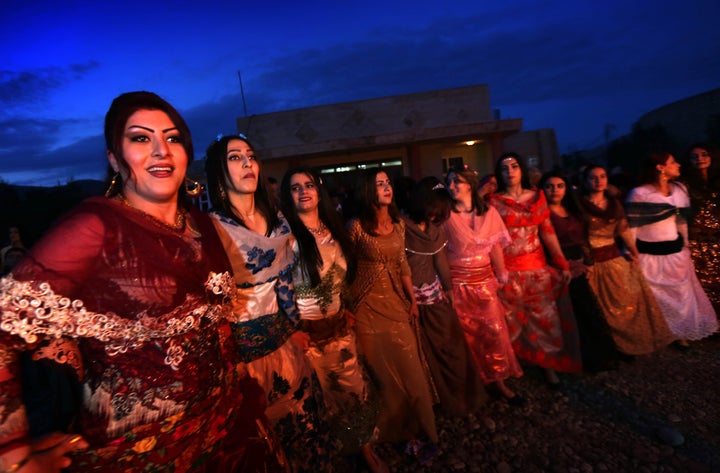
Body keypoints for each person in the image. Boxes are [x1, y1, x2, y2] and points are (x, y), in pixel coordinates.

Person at [0, 91, 281, 472]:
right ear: (114, 158)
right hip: (142, 453)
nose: (161, 150)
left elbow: (217, 324)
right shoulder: (95, 227)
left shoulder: (202, 226)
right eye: (140, 138)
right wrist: (13, 455)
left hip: (226, 430)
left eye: (172, 137)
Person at [205, 134, 336, 472]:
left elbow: (285, 286)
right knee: (265, 441)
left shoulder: (278, 220)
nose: (248, 163)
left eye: (251, 156)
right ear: (219, 172)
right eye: (235, 158)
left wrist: (294, 327)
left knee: (307, 425)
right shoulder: (212, 229)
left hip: (286, 344)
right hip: (243, 357)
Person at [278, 167, 387, 473]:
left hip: (339, 327)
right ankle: (322, 458)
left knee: (352, 389)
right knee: (313, 400)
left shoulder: (333, 228)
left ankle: (363, 448)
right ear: (288, 196)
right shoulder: (284, 237)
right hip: (306, 334)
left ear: (319, 190)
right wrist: (290, 330)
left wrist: (344, 307)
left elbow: (340, 277)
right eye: (295, 187)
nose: (303, 191)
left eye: (309, 184)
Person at [347, 169, 438, 464]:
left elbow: (402, 265)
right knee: (381, 375)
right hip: (366, 310)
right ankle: (390, 432)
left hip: (397, 307)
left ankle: (424, 430)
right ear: (366, 190)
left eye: (388, 183)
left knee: (412, 371)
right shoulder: (356, 227)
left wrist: (412, 299)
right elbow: (345, 270)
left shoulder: (398, 225)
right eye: (379, 184)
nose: (387, 188)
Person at [488, 153, 583, 387]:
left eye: (514, 166)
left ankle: (548, 365)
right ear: (499, 174)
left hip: (537, 269)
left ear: (522, 170)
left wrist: (561, 262)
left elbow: (547, 231)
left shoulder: (537, 198)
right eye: (504, 168)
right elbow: (492, 241)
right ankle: (513, 365)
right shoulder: (493, 202)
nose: (510, 171)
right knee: (510, 321)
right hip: (507, 271)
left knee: (544, 320)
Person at [403, 175, 487, 416]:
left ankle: (461, 396)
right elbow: (400, 267)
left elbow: (439, 259)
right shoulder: (401, 227)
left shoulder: (434, 230)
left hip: (435, 297)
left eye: (440, 212)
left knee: (451, 348)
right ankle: (437, 402)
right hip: (413, 302)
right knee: (425, 355)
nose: (435, 217)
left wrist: (448, 288)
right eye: (432, 210)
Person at [443, 166, 524, 403]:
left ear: (469, 184)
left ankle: (498, 379)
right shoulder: (445, 215)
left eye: (456, 181)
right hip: (458, 284)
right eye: (448, 182)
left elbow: (495, 246)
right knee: (465, 337)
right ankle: (474, 383)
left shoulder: (488, 213)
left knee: (494, 333)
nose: (451, 186)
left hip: (484, 284)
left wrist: (502, 273)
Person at [578, 164, 673, 355]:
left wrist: (633, 250)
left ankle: (632, 343)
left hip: (614, 260)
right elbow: (578, 235)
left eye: (603, 176)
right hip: (592, 262)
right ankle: (612, 347)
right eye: (593, 178)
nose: (599, 181)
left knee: (626, 301)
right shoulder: (580, 205)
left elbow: (622, 229)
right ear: (586, 181)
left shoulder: (614, 204)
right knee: (600, 307)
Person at [625, 152, 718, 347]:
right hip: (650, 253)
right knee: (658, 297)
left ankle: (682, 331)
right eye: (672, 162)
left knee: (681, 295)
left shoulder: (679, 189)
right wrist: (631, 252)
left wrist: (685, 244)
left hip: (674, 251)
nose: (678, 165)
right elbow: (632, 226)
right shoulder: (640, 193)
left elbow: (681, 220)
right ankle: (665, 332)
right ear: (660, 167)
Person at [540, 170, 621, 372]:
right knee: (571, 313)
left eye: (559, 186)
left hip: (579, 262)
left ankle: (603, 354)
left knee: (588, 310)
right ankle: (584, 358)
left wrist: (589, 261)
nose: (555, 190)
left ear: (566, 188)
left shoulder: (572, 209)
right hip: (557, 266)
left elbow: (584, 238)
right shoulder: (542, 213)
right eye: (550, 186)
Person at [683, 142, 720, 313]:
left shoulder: (717, 181)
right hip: (699, 240)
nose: (700, 159)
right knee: (704, 280)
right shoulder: (686, 185)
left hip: (718, 237)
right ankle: (711, 318)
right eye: (694, 157)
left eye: (704, 154)